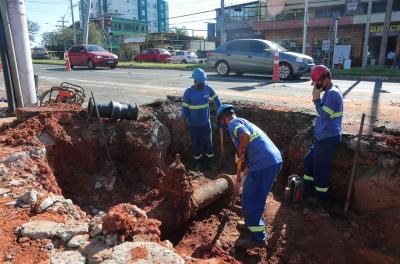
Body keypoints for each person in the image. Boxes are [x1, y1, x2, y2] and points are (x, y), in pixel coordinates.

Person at [216, 104, 282, 249]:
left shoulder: (233, 123)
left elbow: (245, 136)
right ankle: (251, 224)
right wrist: (247, 167)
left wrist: (239, 152)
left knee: (250, 198)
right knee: (252, 195)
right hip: (270, 161)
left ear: (223, 119)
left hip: (263, 164)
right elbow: (256, 146)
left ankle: (258, 238)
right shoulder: (243, 121)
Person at [303, 65, 343, 204]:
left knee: (321, 169)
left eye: (318, 83)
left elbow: (325, 115)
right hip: (323, 137)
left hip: (328, 138)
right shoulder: (330, 91)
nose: (316, 86)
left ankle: (322, 199)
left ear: (325, 80)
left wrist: (316, 99)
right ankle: (307, 190)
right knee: (308, 161)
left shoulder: (332, 93)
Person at [182, 68, 221, 170]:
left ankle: (210, 162)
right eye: (200, 83)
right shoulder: (188, 92)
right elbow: (184, 108)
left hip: (205, 124)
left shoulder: (208, 89)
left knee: (208, 143)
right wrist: (184, 121)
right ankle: (197, 163)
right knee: (196, 144)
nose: (202, 84)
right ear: (194, 82)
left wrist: (220, 111)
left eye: (203, 82)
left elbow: (216, 99)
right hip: (193, 125)